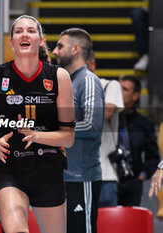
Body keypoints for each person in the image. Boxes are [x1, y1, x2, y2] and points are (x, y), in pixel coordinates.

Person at [0, 15, 75, 233]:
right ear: (11, 41)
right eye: (18, 31)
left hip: (48, 170)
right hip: (10, 170)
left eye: (30, 31)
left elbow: (68, 137)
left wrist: (37, 136)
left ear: (41, 40)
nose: (24, 34)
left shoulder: (59, 77)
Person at [53, 28, 105, 233]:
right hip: (60, 177)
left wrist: (54, 132)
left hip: (81, 178)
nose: (55, 51)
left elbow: (93, 125)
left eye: (60, 46)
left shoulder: (88, 80)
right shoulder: (64, 82)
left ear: (75, 49)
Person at [86, 51, 125, 207]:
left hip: (105, 175)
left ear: (92, 65)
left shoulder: (110, 85)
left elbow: (107, 112)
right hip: (72, 177)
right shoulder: (65, 90)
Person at [117, 75, 160, 206]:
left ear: (135, 95)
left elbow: (153, 156)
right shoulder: (106, 119)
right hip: (108, 180)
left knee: (131, 222)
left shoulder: (144, 123)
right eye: (118, 88)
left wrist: (142, 175)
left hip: (133, 180)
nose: (119, 93)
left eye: (125, 89)